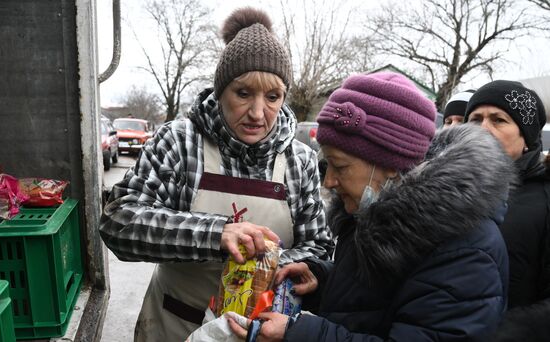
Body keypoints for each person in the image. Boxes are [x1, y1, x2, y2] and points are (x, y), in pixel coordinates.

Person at [99, 7, 334, 341]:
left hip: (257, 331)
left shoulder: (299, 161)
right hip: (175, 324)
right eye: (243, 93)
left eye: (272, 97)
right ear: (222, 90)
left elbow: (319, 248)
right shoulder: (180, 142)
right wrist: (215, 235)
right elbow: (119, 223)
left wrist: (267, 260)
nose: (257, 113)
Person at [229, 72, 515, 341]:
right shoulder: (375, 209)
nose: (328, 182)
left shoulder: (465, 252)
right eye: (326, 165)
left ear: (392, 164)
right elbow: (378, 298)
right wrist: (323, 279)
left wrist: (302, 334)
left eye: (339, 167)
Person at [464, 80, 550, 341]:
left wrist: (498, 334)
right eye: (475, 119)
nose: (483, 129)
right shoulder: (444, 194)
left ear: (527, 137)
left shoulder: (545, 199)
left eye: (499, 120)